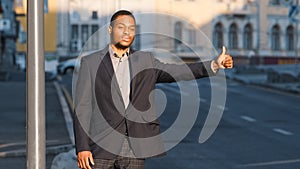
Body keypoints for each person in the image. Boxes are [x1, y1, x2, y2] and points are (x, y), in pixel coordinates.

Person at [74, 10, 233, 169]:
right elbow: (82, 108)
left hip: (134, 148)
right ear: (110, 29)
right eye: (121, 27)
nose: (127, 32)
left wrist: (213, 65)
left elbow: (177, 71)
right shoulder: (91, 63)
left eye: (131, 28)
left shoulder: (144, 60)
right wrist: (82, 147)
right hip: (101, 146)